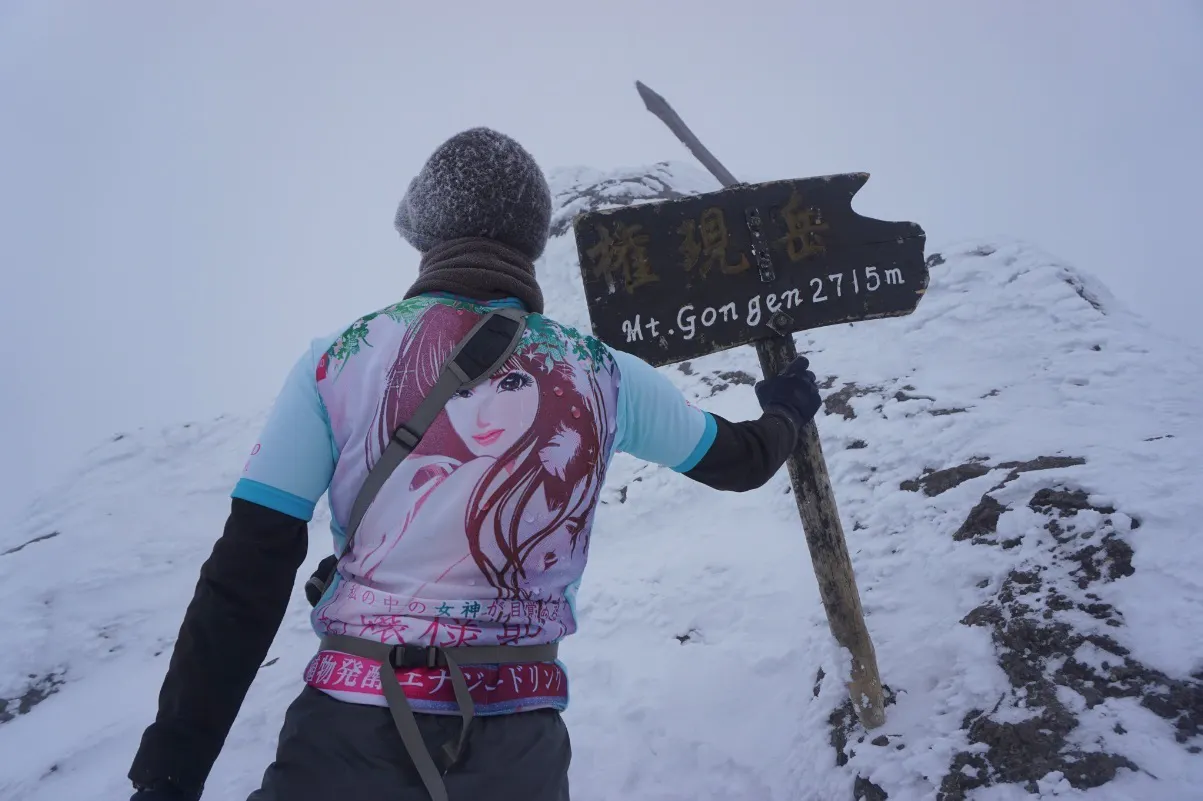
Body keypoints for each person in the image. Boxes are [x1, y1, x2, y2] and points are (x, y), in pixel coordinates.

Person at [127, 127, 823, 801]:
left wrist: (170, 774)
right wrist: (786, 411)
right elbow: (740, 462)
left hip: (344, 730)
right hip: (518, 740)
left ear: (425, 230)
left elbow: (245, 573)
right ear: (530, 238)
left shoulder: (335, 360)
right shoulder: (606, 374)